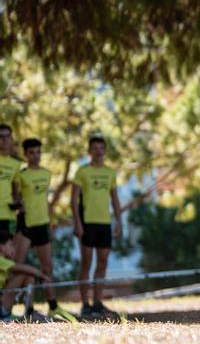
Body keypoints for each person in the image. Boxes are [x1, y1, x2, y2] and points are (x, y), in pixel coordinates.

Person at [13, 138, 76, 321]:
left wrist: (51, 221)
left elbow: (45, 201)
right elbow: (16, 197)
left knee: (47, 267)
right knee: (17, 267)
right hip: (25, 225)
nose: (35, 156)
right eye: (32, 152)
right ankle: (25, 306)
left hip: (42, 225)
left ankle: (53, 306)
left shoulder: (47, 174)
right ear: (26, 155)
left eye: (38, 152)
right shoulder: (21, 175)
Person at [72, 136, 122, 319]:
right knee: (86, 263)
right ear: (89, 151)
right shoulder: (82, 172)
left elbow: (115, 199)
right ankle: (85, 304)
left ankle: (98, 303)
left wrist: (118, 220)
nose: (98, 151)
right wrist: (77, 222)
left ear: (105, 150)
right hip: (87, 223)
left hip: (105, 224)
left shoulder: (110, 173)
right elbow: (73, 200)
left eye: (101, 148)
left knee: (102, 263)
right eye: (95, 148)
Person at [0, 230, 51, 322]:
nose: (13, 249)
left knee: (27, 276)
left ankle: (29, 311)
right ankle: (30, 312)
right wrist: (43, 277)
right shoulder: (1, 261)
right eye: (10, 245)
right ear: (1, 247)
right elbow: (26, 269)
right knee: (25, 274)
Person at [0, 124, 22, 234]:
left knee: (7, 250)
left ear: (11, 139)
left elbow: (15, 191)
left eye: (7, 136)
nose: (4, 140)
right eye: (1, 137)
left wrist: (19, 203)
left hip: (8, 214)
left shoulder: (16, 163)